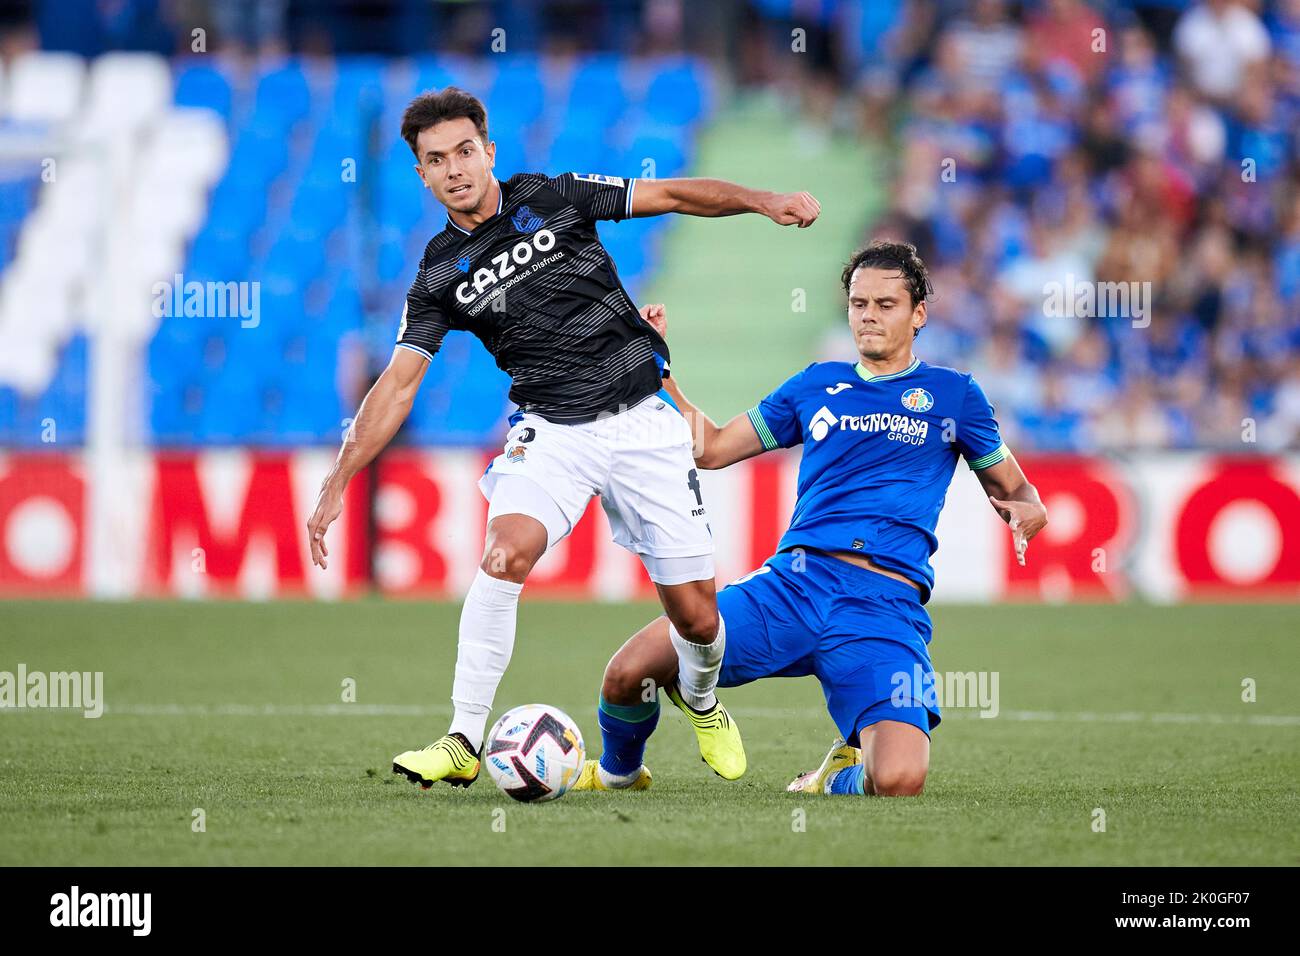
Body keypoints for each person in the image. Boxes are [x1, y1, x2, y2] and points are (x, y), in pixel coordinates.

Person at [304, 86, 822, 789]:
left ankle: (701, 700)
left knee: (698, 620)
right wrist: (339, 480)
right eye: (436, 160)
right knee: (502, 555)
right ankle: (462, 739)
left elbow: (671, 196)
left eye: (463, 151)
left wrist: (763, 200)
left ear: (488, 152)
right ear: (421, 175)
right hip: (551, 431)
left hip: (643, 419)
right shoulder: (436, 276)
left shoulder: (557, 195)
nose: (454, 168)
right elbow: (398, 383)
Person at [574, 240, 1048, 796]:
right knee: (629, 672)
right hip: (794, 587)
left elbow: (1015, 488)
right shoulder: (815, 385)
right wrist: (658, 374)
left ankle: (832, 779)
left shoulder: (955, 396)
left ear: (919, 313)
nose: (868, 315)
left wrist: (1027, 511)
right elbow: (713, 448)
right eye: (858, 303)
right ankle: (618, 773)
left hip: (883, 609)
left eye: (886, 304)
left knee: (898, 781)